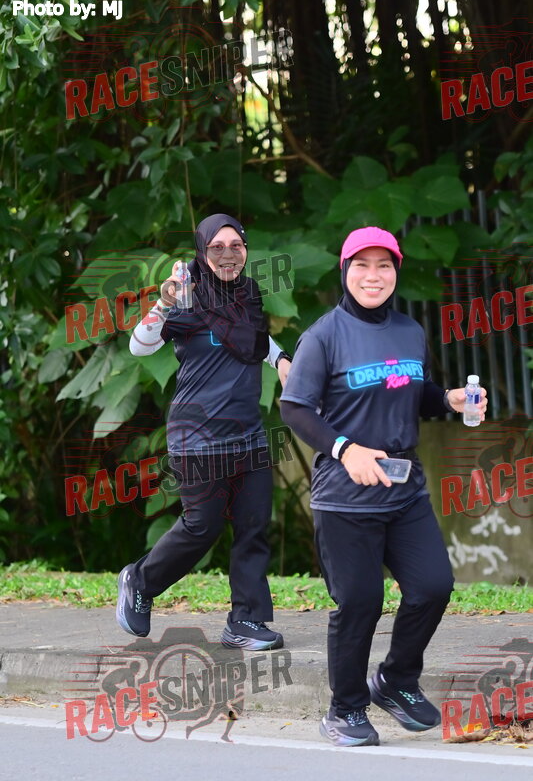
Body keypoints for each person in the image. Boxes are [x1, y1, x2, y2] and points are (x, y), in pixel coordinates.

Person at [280, 226, 488, 746]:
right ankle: (345, 709)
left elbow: (412, 391)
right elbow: (295, 408)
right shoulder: (323, 336)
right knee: (360, 602)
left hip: (404, 487)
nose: (373, 276)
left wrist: (449, 400)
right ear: (345, 271)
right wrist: (345, 449)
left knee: (433, 587)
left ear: (396, 272)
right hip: (345, 493)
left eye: (384, 266)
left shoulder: (409, 330)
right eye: (362, 265)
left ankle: (395, 680)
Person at [116, 213, 292, 651]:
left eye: (236, 246)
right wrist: (164, 302)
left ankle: (246, 621)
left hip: (249, 433)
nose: (228, 254)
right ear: (202, 250)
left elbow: (256, 339)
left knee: (253, 527)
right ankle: (140, 581)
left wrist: (282, 360)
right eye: (217, 247)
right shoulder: (186, 296)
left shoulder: (248, 292)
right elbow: (140, 345)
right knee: (201, 527)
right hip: (198, 436)